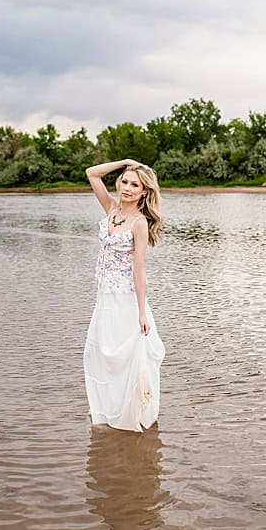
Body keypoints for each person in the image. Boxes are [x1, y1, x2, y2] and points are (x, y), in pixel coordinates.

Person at [83, 159, 166, 431]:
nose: (127, 188)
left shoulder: (139, 223)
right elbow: (91, 174)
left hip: (126, 300)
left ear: (144, 192)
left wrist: (142, 313)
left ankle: (131, 411)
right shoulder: (110, 208)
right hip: (104, 298)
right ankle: (107, 411)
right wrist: (126, 163)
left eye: (135, 184)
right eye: (125, 182)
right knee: (102, 355)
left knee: (125, 356)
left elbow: (139, 270)